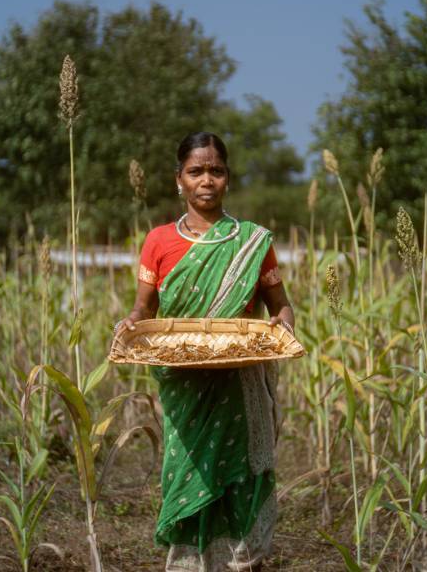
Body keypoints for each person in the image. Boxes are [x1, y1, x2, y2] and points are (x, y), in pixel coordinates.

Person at [118, 131, 294, 571]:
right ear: (179, 179)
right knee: (188, 471)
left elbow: (281, 305)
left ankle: (240, 562)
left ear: (228, 178)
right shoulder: (158, 241)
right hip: (185, 385)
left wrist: (283, 324)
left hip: (240, 379)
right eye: (196, 171)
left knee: (239, 474)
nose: (206, 180)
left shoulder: (253, 241)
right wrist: (130, 322)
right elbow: (144, 307)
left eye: (216, 170)